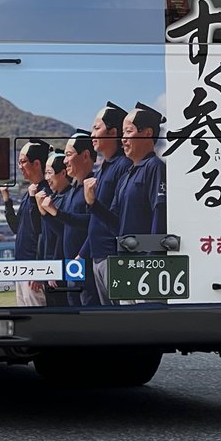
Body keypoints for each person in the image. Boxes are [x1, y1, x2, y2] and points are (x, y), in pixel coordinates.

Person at [80, 101, 132, 305]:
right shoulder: (105, 167)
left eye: (96, 128)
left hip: (113, 255)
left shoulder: (123, 165)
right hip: (99, 255)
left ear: (112, 132)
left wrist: (92, 202)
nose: (92, 134)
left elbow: (118, 217)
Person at [39, 130, 95, 306]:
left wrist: (82, 254)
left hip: (84, 262)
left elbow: (93, 224)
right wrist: (47, 214)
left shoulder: (90, 185)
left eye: (68, 155)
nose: (65, 160)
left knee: (88, 309)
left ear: (85, 156)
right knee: (74, 308)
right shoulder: (73, 191)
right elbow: (64, 230)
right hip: (72, 264)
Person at [96, 103, 167, 240]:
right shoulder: (126, 175)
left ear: (147, 134)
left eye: (129, 131)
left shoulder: (154, 167)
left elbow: (159, 215)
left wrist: (154, 256)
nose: (123, 139)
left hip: (145, 258)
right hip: (126, 256)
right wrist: (93, 204)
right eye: (123, 133)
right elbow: (115, 223)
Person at [0, 138, 50, 307]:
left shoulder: (45, 193)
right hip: (22, 268)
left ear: (36, 163)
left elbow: (46, 234)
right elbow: (17, 228)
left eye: (23, 162)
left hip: (33, 269)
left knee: (37, 320)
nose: (20, 167)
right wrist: (7, 200)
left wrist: (40, 270)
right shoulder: (29, 193)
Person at [36, 151, 73, 307]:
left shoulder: (68, 197)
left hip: (62, 268)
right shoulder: (53, 198)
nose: (46, 178)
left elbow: (62, 236)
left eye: (49, 173)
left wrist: (54, 269)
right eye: (45, 173)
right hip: (50, 266)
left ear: (63, 173)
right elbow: (44, 237)